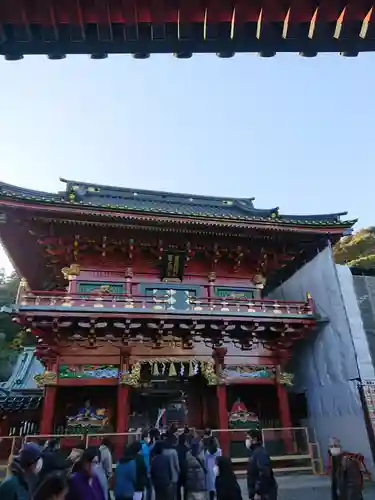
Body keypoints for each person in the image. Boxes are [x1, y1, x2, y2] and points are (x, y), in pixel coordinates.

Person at [246, 430, 277, 500]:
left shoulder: (260, 453)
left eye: (248, 438)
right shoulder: (254, 453)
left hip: (263, 494)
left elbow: (264, 473)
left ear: (254, 439)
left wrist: (259, 492)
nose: (246, 441)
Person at [163, 433, 180, 500]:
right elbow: (176, 465)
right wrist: (179, 471)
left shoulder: (163, 452)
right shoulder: (173, 452)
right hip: (174, 476)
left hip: (166, 476)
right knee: (173, 494)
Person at [176, 433, 188, 500]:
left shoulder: (175, 449)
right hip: (185, 471)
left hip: (178, 470)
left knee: (178, 488)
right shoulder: (187, 449)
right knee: (186, 488)